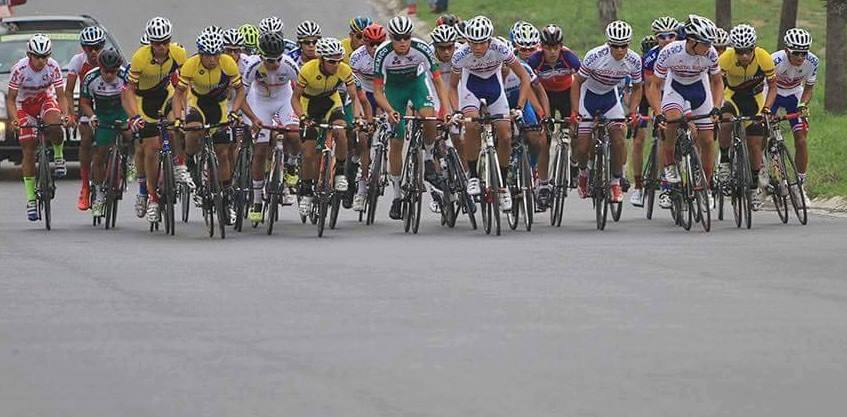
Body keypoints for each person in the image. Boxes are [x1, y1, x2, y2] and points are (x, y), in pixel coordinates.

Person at [450, 15, 533, 212]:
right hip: (471, 90)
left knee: (505, 135)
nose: (478, 48)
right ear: (467, 41)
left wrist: (519, 108)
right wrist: (455, 111)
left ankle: (503, 186)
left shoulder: (500, 49)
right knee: (471, 126)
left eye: (482, 43)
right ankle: (472, 176)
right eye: (473, 43)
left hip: (495, 90)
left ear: (490, 40)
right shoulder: (460, 55)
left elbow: (524, 77)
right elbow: (452, 87)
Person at [372, 15, 451, 220]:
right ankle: (397, 195)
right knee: (396, 142)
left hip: (416, 84)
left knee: (429, 118)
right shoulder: (382, 53)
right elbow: (378, 92)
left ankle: (427, 157)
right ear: (391, 38)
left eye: (406, 37)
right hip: (394, 90)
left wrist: (444, 109)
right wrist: (389, 111)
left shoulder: (421, 48)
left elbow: (438, 82)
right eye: (398, 38)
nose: (402, 42)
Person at [174, 29, 255, 224]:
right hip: (198, 103)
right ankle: (191, 160)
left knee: (223, 152)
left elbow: (240, 91)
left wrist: (235, 111)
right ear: (201, 54)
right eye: (208, 55)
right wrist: (178, 118)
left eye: (216, 54)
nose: (212, 59)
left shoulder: (227, 63)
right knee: (192, 130)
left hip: (219, 106)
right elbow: (178, 95)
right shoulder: (191, 65)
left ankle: (226, 197)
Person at [645, 15, 723, 210]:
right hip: (676, 87)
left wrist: (716, 106)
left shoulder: (711, 53)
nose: (708, 47)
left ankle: (705, 185)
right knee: (671, 121)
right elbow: (654, 85)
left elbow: (717, 81)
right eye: (705, 43)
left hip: (699, 88)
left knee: (707, 140)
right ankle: (670, 167)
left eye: (709, 43)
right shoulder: (670, 51)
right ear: (691, 40)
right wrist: (657, 112)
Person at [122, 16, 188, 222]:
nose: (161, 47)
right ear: (151, 43)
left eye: (165, 42)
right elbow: (129, 91)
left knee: (176, 124)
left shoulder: (178, 53)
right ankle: (150, 195)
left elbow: (185, 83)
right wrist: (134, 117)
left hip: (165, 94)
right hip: (143, 100)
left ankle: (178, 165)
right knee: (150, 148)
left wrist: (184, 109)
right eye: (157, 43)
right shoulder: (140, 58)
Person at [570, 20, 642, 203]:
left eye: (624, 46)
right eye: (616, 46)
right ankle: (584, 173)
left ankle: (615, 181)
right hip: (588, 96)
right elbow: (577, 82)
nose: (620, 50)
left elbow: (638, 87)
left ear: (629, 44)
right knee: (583, 146)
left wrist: (633, 111)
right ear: (609, 44)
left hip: (610, 98)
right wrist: (575, 111)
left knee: (618, 138)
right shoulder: (594, 56)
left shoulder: (633, 60)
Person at [291, 37, 361, 217]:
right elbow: (295, 99)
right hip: (309, 104)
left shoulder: (344, 69)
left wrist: (358, 117)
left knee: (341, 131)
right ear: (321, 59)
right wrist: (303, 117)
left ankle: (339, 172)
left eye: (338, 60)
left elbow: (354, 97)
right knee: (308, 153)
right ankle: (306, 191)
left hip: (331, 101)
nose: (336, 64)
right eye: (331, 61)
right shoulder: (307, 70)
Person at [7, 33, 70, 221]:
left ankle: (58, 156)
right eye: (37, 57)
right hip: (24, 106)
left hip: (44, 100)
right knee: (28, 148)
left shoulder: (53, 67)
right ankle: (31, 199)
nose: (41, 61)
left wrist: (65, 114)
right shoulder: (19, 69)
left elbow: (61, 96)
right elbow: (10, 99)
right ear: (29, 55)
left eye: (45, 56)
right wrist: (14, 120)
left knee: (55, 125)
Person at [242, 32, 301, 222]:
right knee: (259, 151)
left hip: (285, 100)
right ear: (261, 55)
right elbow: (241, 97)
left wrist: (304, 116)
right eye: (269, 60)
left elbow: (303, 92)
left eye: (277, 59)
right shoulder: (252, 67)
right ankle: (257, 200)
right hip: (261, 103)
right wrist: (252, 118)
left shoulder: (290, 65)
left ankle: (291, 165)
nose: (274, 64)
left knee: (293, 134)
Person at [717, 23, 777, 211]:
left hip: (754, 99)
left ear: (754, 48)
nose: (744, 55)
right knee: (725, 121)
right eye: (739, 51)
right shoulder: (725, 58)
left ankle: (753, 186)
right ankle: (725, 161)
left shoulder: (764, 57)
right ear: (734, 49)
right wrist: (716, 108)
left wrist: (767, 108)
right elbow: (717, 84)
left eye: (747, 51)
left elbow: (773, 87)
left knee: (754, 143)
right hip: (731, 97)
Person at [630, 16, 678, 207]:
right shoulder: (650, 57)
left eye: (670, 36)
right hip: (648, 93)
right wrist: (655, 113)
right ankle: (638, 186)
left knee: (668, 135)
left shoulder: (682, 51)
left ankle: (668, 182)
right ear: (656, 37)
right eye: (662, 36)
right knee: (640, 137)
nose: (666, 39)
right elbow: (648, 88)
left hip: (670, 93)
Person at [79, 48, 131, 218]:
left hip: (121, 110)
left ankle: (130, 161)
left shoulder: (125, 76)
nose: (109, 75)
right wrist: (92, 116)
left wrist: (132, 117)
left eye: (113, 72)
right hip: (102, 114)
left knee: (131, 134)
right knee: (100, 153)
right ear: (100, 68)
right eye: (106, 71)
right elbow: (85, 103)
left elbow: (132, 98)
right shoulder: (90, 78)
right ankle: (99, 193)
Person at [771, 27, 817, 189]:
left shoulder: (812, 62)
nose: (800, 57)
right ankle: (763, 169)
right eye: (796, 53)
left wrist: (803, 105)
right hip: (773, 92)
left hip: (794, 94)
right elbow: (765, 87)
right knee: (760, 132)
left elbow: (809, 88)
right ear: (786, 50)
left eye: (804, 53)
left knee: (802, 139)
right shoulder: (775, 61)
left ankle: (799, 184)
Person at [67, 26, 106, 212]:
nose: (93, 52)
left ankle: (119, 164)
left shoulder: (110, 58)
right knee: (86, 140)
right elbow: (68, 91)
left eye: (97, 47)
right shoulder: (78, 61)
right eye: (88, 48)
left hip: (108, 100)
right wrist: (71, 114)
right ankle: (85, 186)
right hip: (87, 102)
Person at [349, 23, 386, 211]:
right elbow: (353, 92)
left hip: (384, 94)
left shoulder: (389, 55)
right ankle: (361, 189)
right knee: (364, 138)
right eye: (371, 44)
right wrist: (360, 117)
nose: (375, 48)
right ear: (364, 42)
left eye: (379, 43)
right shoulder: (357, 58)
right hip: (364, 95)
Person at [525, 24, 581, 120]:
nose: (552, 52)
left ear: (561, 46)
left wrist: (575, 111)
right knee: (545, 126)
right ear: (542, 46)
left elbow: (581, 81)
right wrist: (540, 111)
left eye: (556, 48)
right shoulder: (534, 60)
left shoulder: (569, 57)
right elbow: (527, 84)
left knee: (571, 125)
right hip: (545, 94)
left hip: (567, 93)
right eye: (548, 48)